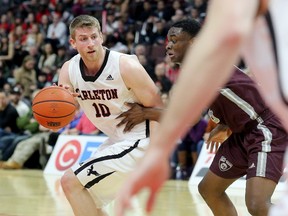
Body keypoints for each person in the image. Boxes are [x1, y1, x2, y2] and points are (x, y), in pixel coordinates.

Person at [115, 3, 288, 213]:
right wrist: (225, 124)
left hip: (266, 129)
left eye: (175, 40)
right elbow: (235, 96)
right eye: (169, 41)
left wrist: (144, 113)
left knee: (257, 205)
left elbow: (190, 117)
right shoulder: (195, 71)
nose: (168, 46)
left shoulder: (207, 65)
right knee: (209, 189)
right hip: (243, 133)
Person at [58, 15, 163, 216]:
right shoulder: (69, 70)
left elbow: (162, 109)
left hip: (142, 141)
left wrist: (155, 149)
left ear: (101, 37)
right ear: (73, 42)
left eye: (94, 37)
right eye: (83, 39)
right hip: (117, 141)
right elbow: (64, 114)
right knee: (86, 196)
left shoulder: (125, 66)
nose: (90, 43)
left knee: (70, 181)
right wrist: (60, 105)